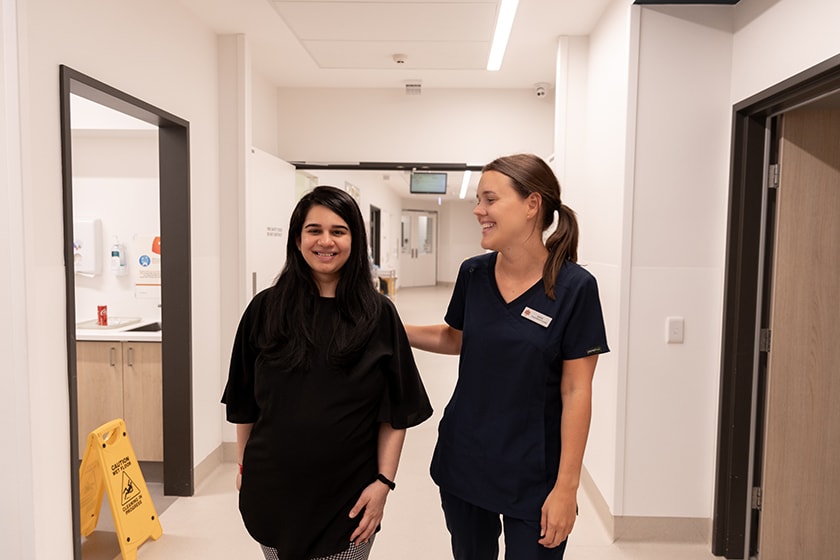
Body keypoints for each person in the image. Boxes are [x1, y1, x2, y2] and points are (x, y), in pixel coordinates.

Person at [405, 154, 609, 560]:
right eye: (479, 200)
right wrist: (391, 328)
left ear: (532, 204)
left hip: (534, 472)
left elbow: (576, 390)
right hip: (466, 457)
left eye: (490, 199)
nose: (478, 210)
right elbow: (456, 337)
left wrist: (567, 486)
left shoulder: (575, 288)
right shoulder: (473, 274)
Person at [222, 185, 433, 560]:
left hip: (348, 497)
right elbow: (245, 402)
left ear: (355, 239)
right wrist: (243, 465)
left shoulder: (378, 316)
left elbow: (398, 411)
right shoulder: (265, 310)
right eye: (314, 230)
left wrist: (383, 484)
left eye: (338, 231)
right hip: (273, 490)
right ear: (297, 238)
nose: (325, 241)